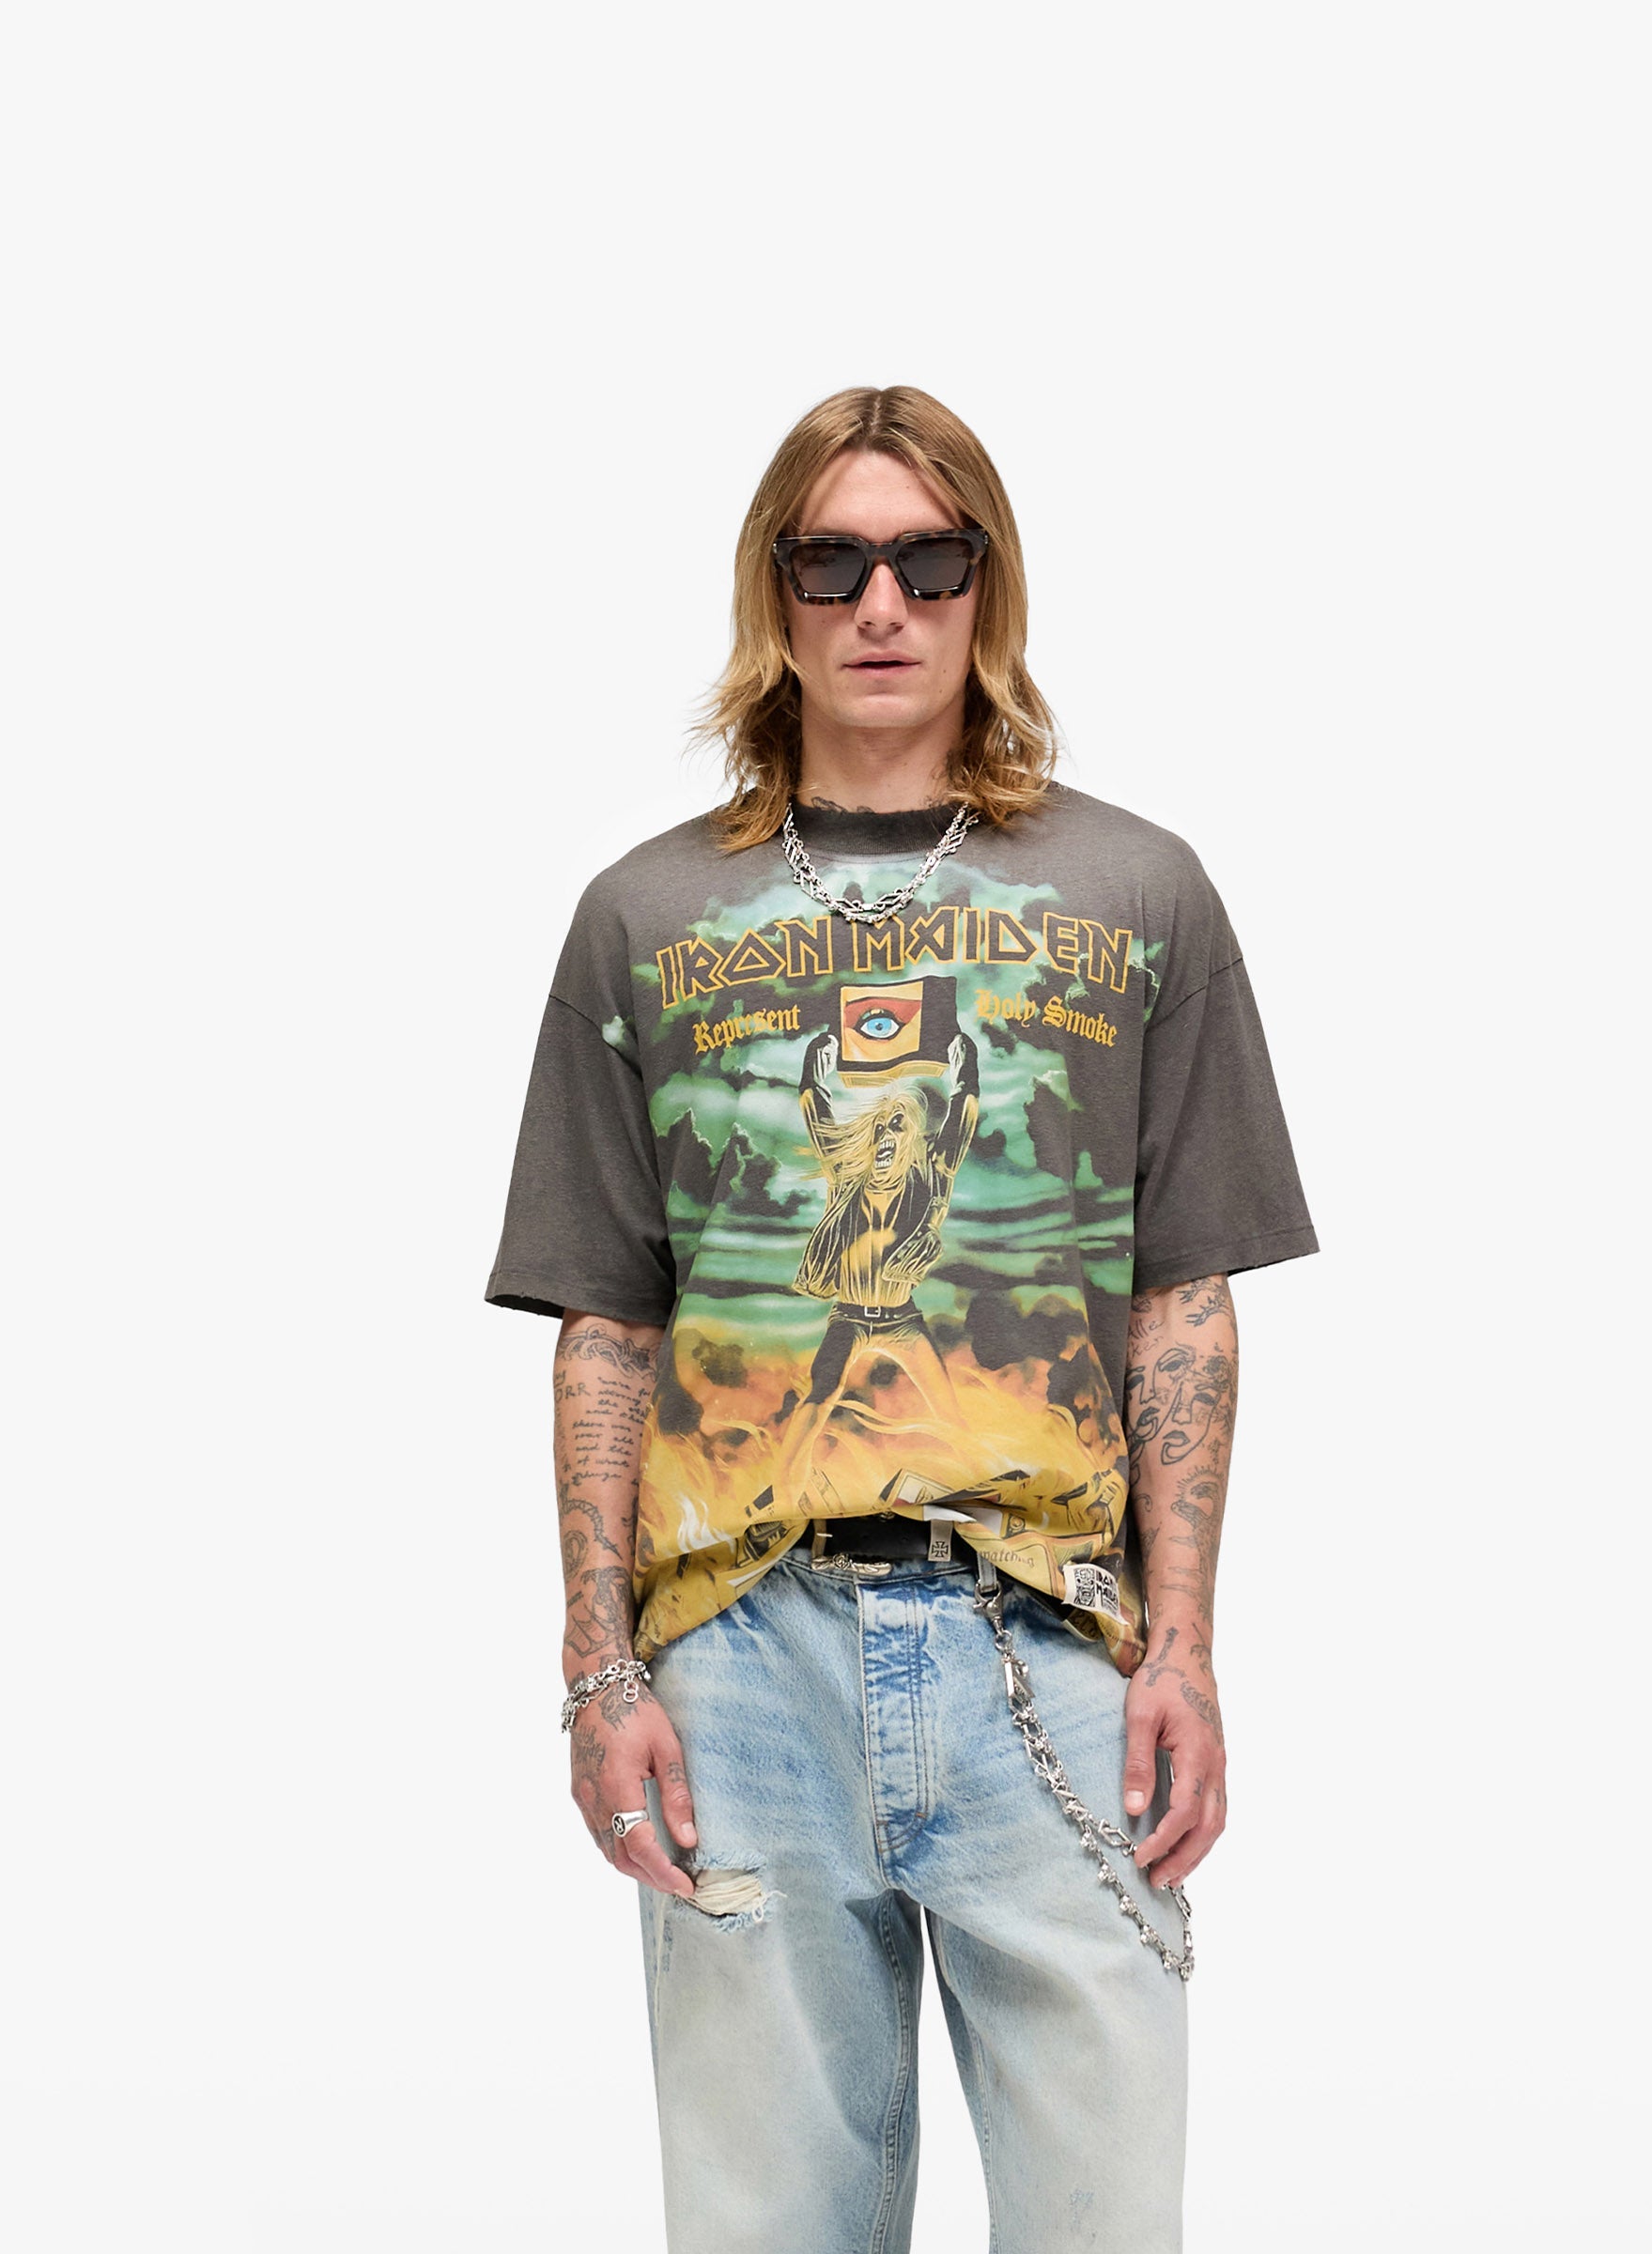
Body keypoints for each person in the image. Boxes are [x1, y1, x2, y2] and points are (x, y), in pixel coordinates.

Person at [485, 385, 1318, 2253]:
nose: (883, 605)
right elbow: (606, 1322)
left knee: (1106, 2226)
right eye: (835, 561)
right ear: (771, 591)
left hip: (1052, 1647)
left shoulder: (1138, 893)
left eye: (932, 561)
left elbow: (1182, 1301)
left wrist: (1185, 1652)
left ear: (986, 590)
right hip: (738, 1662)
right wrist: (601, 1672)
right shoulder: (643, 916)